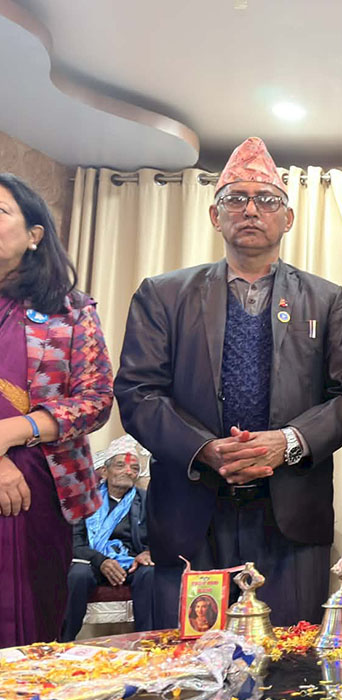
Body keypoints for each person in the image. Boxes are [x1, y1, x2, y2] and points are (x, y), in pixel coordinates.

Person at [115, 137, 342, 627]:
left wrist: (286, 443)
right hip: (191, 512)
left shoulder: (326, 299)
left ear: (288, 218)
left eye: (267, 200)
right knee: (190, 659)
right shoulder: (163, 295)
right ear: (215, 215)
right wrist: (206, 449)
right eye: (236, 198)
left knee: (289, 656)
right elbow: (138, 393)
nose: (251, 210)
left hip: (290, 514)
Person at [0, 172, 113, 646]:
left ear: (34, 235)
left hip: (42, 491)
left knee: (32, 628)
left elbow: (96, 399)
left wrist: (15, 431)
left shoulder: (70, 311)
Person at [62, 435, 155, 641]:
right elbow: (74, 543)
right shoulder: (85, 501)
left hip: (131, 564)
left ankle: (148, 641)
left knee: (150, 572)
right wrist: (101, 561)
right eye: (120, 465)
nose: (128, 471)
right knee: (78, 574)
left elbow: (160, 537)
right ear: (104, 470)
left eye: (134, 468)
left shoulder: (146, 500)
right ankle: (63, 641)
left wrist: (148, 553)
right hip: (93, 562)